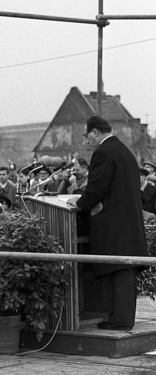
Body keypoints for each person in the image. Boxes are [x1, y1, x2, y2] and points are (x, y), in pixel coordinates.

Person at [73, 116, 148, 331]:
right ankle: (121, 317)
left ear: (95, 132)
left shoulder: (103, 152)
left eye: (86, 135)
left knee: (118, 268)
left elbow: (97, 188)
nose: (86, 141)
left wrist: (79, 202)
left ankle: (121, 320)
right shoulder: (124, 150)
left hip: (115, 225)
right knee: (123, 270)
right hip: (127, 223)